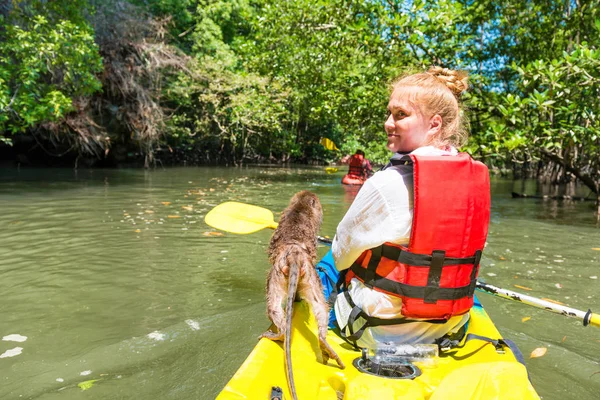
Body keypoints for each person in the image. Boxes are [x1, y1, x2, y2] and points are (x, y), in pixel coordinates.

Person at [320, 66, 491, 349]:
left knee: (330, 260)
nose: (388, 122)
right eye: (389, 113)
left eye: (401, 114)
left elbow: (341, 257)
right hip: (451, 331)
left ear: (435, 124)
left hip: (378, 334)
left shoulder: (385, 183)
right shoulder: (475, 180)